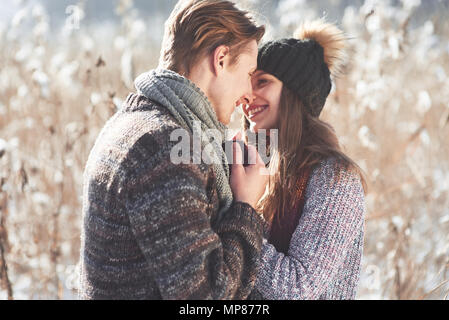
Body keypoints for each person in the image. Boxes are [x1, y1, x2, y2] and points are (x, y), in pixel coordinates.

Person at [79, 0, 269, 300]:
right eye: (249, 74)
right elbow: (205, 299)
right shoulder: (164, 150)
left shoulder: (133, 122)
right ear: (220, 60)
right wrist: (245, 207)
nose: (248, 95)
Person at [242, 20, 368, 300]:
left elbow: (298, 286)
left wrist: (240, 221)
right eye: (247, 83)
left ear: (294, 94)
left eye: (262, 82)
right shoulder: (261, 162)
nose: (247, 95)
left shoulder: (335, 178)